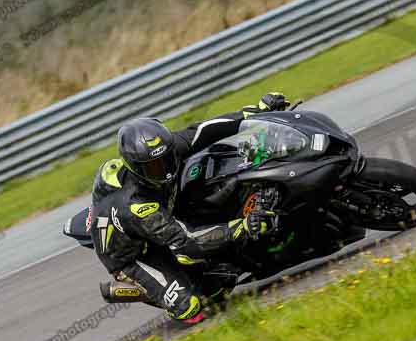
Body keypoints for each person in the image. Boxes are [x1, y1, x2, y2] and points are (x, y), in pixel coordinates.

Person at [91, 92, 290, 324]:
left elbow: (204, 130)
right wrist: (243, 227)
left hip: (162, 211)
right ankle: (125, 288)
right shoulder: (138, 206)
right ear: (135, 169)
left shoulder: (167, 149)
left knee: (221, 276)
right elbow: (189, 241)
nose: (165, 171)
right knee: (193, 308)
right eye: (154, 168)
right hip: (134, 254)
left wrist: (255, 111)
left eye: (166, 160)